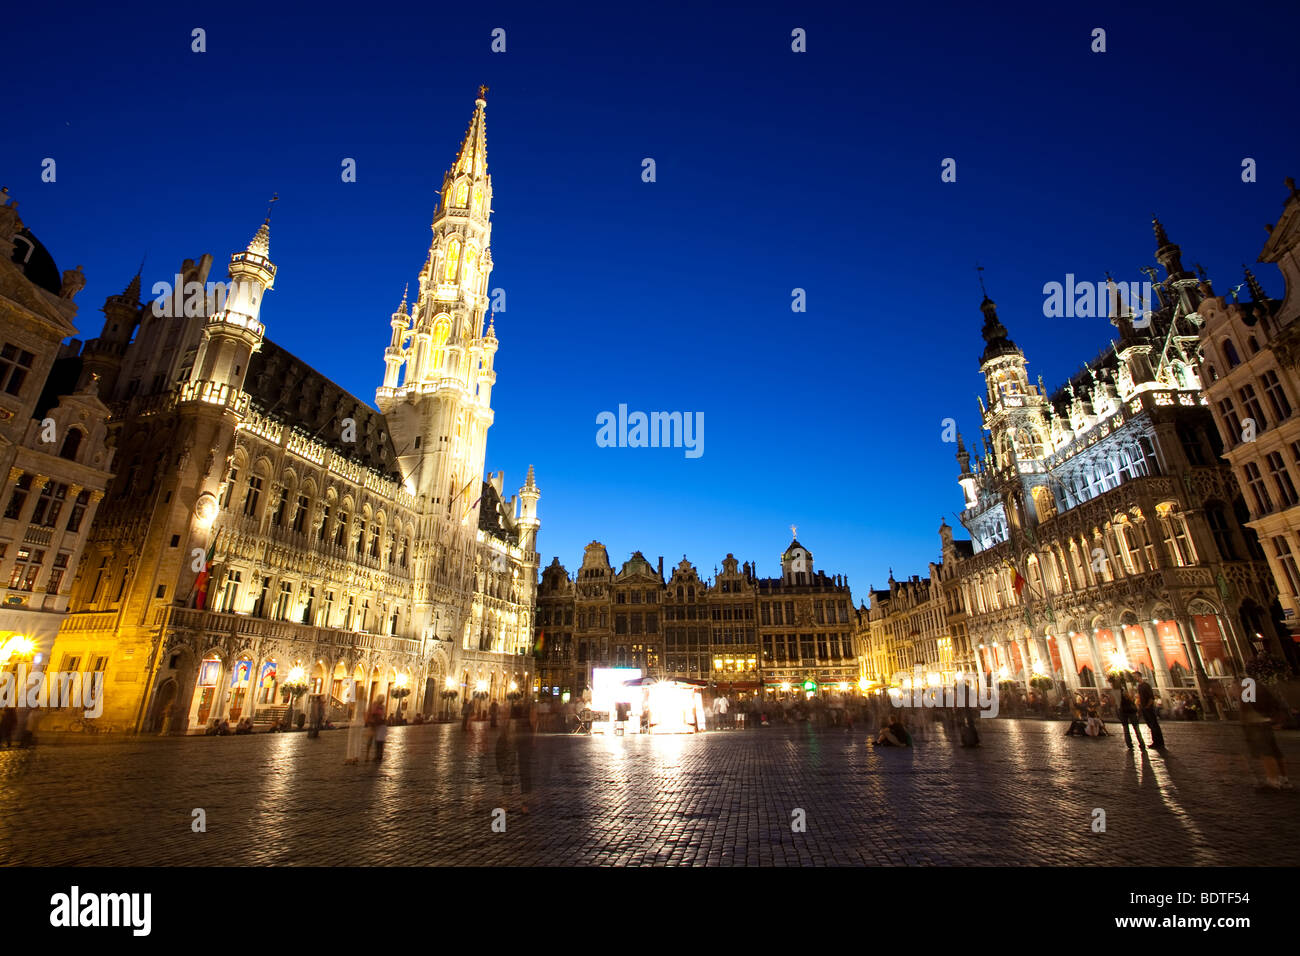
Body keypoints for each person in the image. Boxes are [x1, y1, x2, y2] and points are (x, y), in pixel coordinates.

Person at [1240, 680, 1292, 790]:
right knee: (1275, 752)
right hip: (1267, 722)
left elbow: (1245, 707)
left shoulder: (1247, 686)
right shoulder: (1263, 688)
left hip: (1257, 724)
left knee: (1266, 753)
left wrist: (1245, 721)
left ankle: (1272, 781)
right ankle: (1284, 779)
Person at [1136, 677, 1165, 749]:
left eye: (1135, 677)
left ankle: (1159, 742)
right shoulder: (1139, 686)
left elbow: (1151, 697)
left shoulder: (1146, 685)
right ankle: (1156, 741)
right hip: (1144, 708)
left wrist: (1148, 706)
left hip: (1148, 708)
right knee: (1150, 725)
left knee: (1154, 725)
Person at [1116, 684, 1144, 750]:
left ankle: (1129, 744)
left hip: (1124, 712)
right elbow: (1131, 699)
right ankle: (1141, 743)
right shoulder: (1127, 692)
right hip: (1130, 711)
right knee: (1136, 728)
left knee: (1126, 729)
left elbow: (1116, 704)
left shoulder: (1117, 694)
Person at [366, 695, 388, 761]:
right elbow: (371, 712)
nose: (382, 700)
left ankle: (377, 755)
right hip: (373, 724)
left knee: (377, 740)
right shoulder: (374, 704)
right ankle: (367, 755)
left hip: (379, 724)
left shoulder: (383, 706)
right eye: (382, 699)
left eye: (383, 699)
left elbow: (384, 714)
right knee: (370, 739)